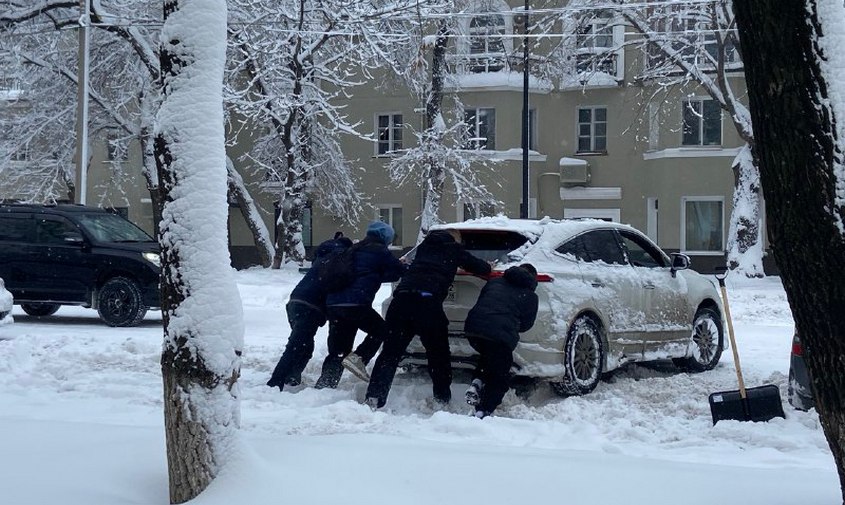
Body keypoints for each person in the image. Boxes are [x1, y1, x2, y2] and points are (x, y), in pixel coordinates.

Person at [364, 229, 492, 409]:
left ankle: (374, 397)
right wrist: (487, 265)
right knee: (438, 354)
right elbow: (482, 268)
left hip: (400, 301)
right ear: (455, 240)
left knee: (390, 353)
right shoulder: (452, 249)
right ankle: (441, 398)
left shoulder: (423, 248)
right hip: (427, 304)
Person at [314, 221, 406, 389]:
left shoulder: (354, 249)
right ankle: (360, 359)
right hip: (356, 304)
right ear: (385, 237)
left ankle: (325, 385)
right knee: (382, 331)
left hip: (335, 304)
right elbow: (397, 272)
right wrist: (402, 264)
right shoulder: (379, 251)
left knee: (339, 348)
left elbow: (368, 274)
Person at [266, 232, 352, 391]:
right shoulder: (339, 260)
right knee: (296, 345)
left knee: (304, 345)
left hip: (295, 302)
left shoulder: (322, 258)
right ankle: (274, 383)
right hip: (310, 307)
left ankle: (292, 377)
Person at [463, 263, 539, 418]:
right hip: (499, 334)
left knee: (488, 358)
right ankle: (483, 411)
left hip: (473, 328)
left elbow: (484, 302)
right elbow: (526, 325)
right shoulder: (530, 296)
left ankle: (476, 383)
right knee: (500, 376)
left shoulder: (495, 282)